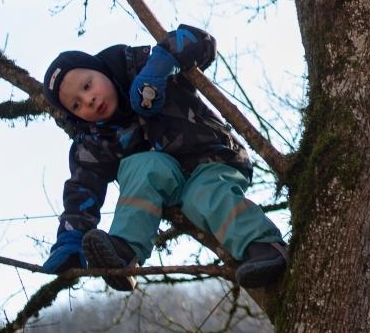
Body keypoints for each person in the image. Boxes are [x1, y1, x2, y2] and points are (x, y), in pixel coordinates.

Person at [36, 25, 289, 291]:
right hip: (167, 181)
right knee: (140, 167)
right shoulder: (93, 140)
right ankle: (124, 253)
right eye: (76, 104)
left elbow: (202, 42)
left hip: (212, 157)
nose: (88, 99)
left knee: (204, 196)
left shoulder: (138, 64)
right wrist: (70, 241)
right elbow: (82, 189)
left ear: (101, 70)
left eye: (88, 85)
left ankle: (263, 247)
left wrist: (160, 65)